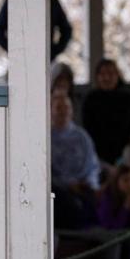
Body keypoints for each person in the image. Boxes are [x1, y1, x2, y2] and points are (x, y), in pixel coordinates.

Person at [50, 88, 101, 229]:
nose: (63, 111)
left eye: (66, 107)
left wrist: (89, 183)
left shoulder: (82, 137)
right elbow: (46, 172)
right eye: (58, 107)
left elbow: (93, 165)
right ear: (51, 110)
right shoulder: (45, 137)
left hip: (83, 187)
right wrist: (68, 184)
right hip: (59, 190)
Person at [82, 58, 130, 167]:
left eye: (110, 73)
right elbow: (87, 129)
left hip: (126, 154)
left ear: (117, 75)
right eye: (103, 74)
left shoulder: (129, 99)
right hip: (97, 155)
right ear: (97, 77)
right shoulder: (90, 99)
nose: (107, 77)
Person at [0, 0, 74, 60]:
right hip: (20, 62)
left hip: (46, 60)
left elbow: (66, 30)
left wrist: (53, 51)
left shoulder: (52, 2)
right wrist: (15, 52)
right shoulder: (12, 1)